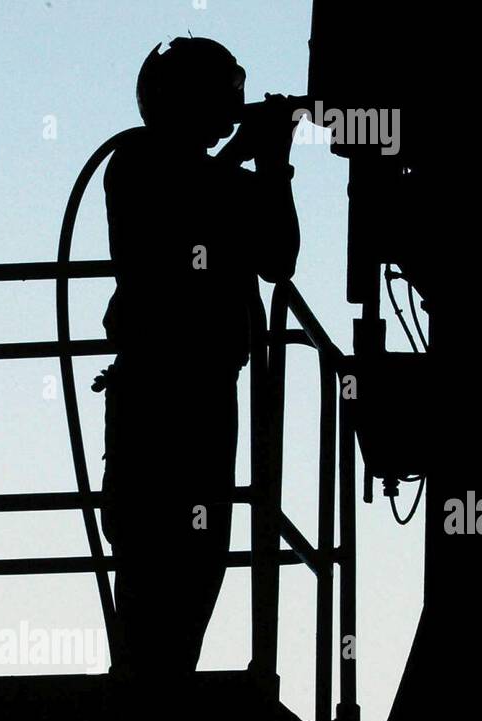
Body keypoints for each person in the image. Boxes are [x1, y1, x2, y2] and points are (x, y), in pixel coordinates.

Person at [97, 37, 300, 678]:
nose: (234, 106)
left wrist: (262, 165)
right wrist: (264, 165)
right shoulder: (138, 160)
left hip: (198, 388)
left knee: (195, 553)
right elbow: (252, 238)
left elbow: (274, 256)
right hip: (168, 390)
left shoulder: (188, 173)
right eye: (225, 92)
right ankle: (147, 688)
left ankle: (157, 682)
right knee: (160, 551)